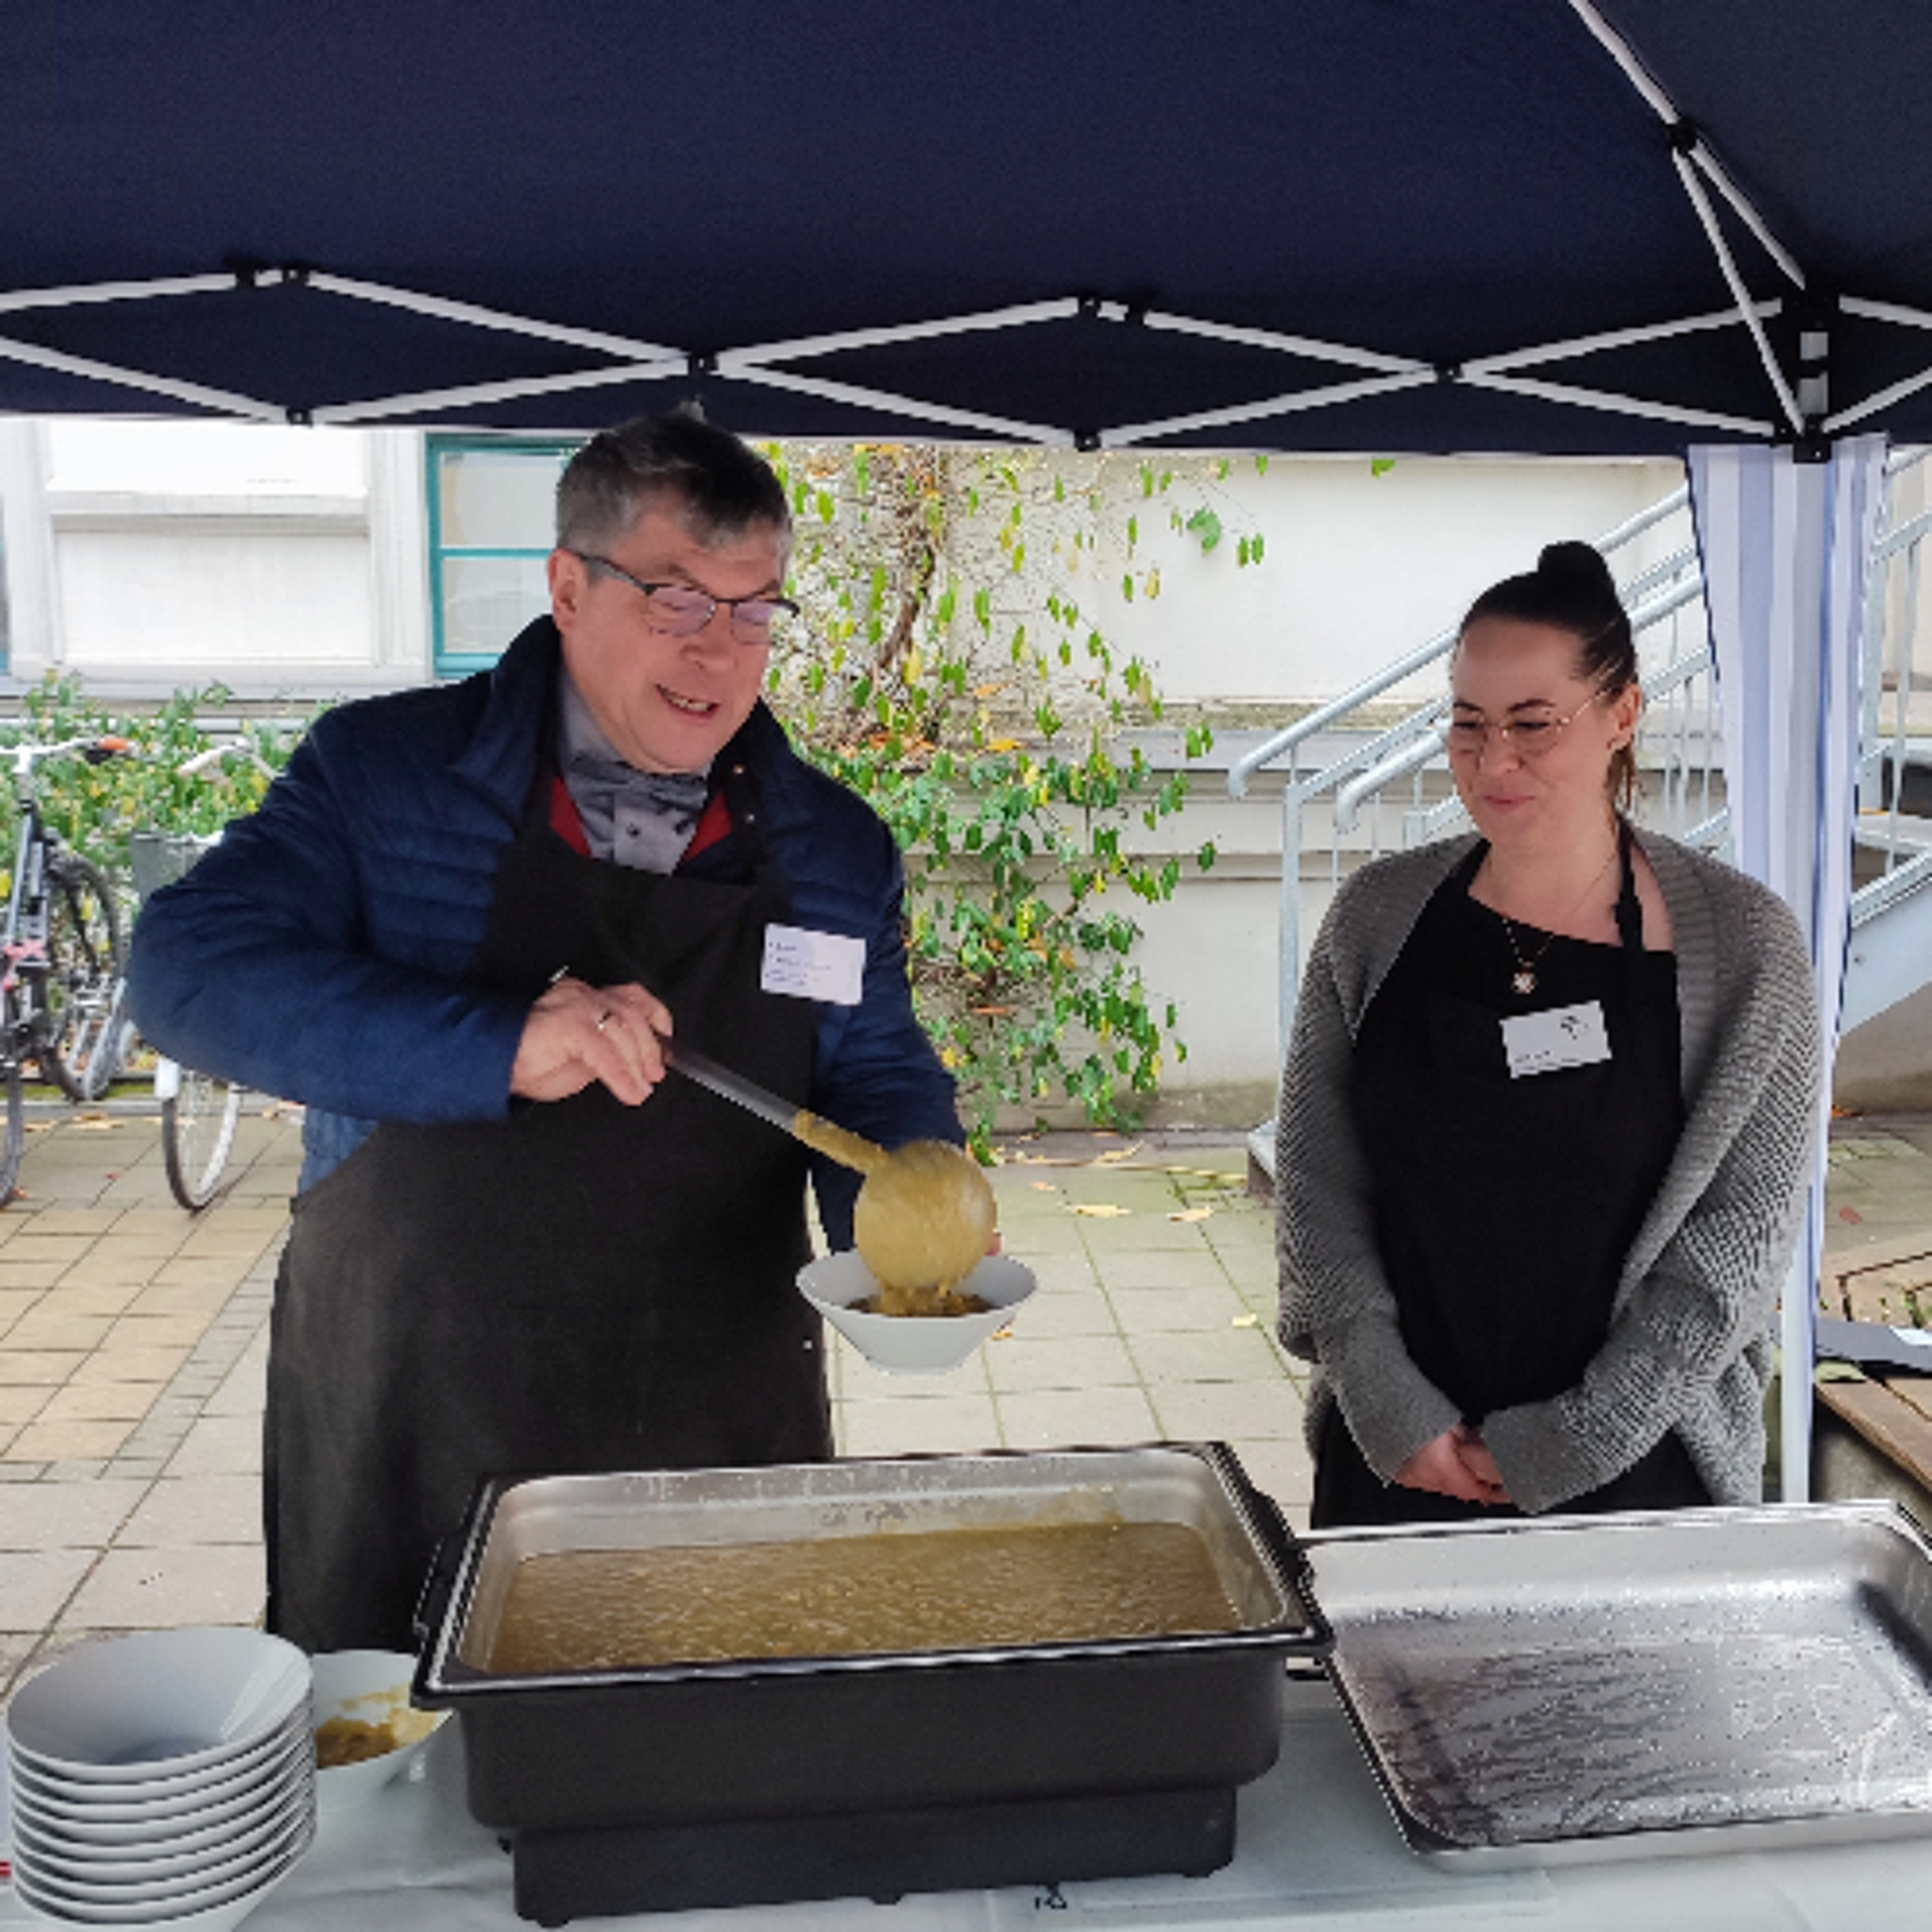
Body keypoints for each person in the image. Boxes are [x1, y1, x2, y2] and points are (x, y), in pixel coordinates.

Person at [128, 412, 964, 1652]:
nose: (721, 651)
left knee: (709, 1716)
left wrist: (906, 1227)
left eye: (755, 611)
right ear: (570, 588)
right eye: (679, 601)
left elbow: (875, 1071)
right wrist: (497, 1042)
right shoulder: (388, 777)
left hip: (710, 1385)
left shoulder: (829, 847)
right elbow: (183, 970)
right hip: (418, 1387)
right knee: (403, 1724)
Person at [1276, 541, 1822, 1527]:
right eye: (1468, 724)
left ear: (1623, 714)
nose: (1495, 762)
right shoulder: (1376, 919)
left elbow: (1740, 1239)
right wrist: (1385, 1399)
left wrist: (1578, 1438)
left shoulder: (1745, 946)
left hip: (1639, 1479)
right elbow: (1318, 1180)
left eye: (1533, 724)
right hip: (1402, 1466)